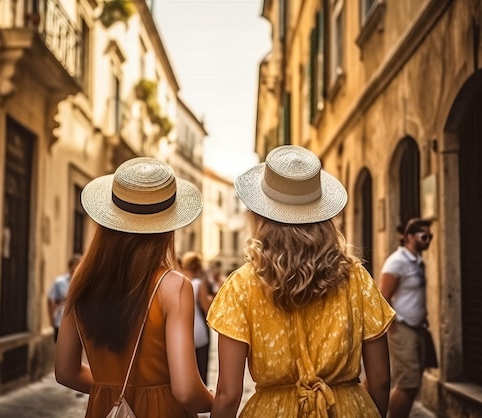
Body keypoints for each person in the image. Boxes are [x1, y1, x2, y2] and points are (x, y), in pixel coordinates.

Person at [206, 145, 395, 418]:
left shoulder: (241, 285)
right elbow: (380, 380)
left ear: (260, 215)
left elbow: (228, 394)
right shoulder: (356, 278)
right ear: (323, 215)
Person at [54, 157, 213, 417]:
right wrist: (217, 400)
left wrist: (114, 389)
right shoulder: (173, 286)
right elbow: (186, 391)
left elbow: (65, 372)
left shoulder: (83, 279)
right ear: (167, 227)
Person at [379, 218, 433, 418]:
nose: (428, 241)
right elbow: (383, 297)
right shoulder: (397, 261)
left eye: (430, 237)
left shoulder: (417, 260)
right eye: (424, 236)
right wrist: (394, 330)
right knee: (407, 384)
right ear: (409, 237)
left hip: (417, 328)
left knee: (413, 382)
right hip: (403, 329)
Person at [181, 251, 212, 384]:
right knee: (201, 369)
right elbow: (207, 308)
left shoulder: (181, 282)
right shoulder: (199, 284)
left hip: (183, 330)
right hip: (199, 330)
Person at [47, 253, 81, 342]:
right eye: (75, 264)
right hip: (60, 323)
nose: (77, 267)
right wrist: (51, 320)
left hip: (78, 326)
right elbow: (50, 300)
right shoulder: (59, 282)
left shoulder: (83, 284)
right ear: (70, 266)